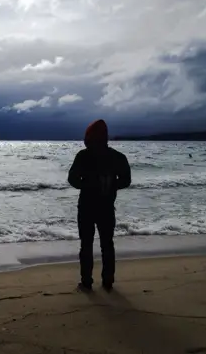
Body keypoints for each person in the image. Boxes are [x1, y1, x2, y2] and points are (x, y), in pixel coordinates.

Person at [68, 119, 131, 292]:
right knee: (107, 244)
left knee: (86, 244)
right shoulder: (117, 157)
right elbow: (126, 180)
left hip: (87, 206)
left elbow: (72, 179)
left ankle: (87, 281)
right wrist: (111, 184)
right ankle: (108, 280)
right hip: (106, 206)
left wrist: (86, 185)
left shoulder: (83, 156)